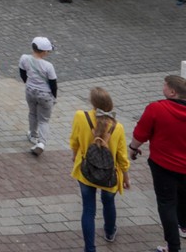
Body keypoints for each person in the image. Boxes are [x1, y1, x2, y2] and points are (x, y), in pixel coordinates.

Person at [129, 75, 186, 252]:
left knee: (167, 203)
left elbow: (141, 133)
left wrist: (133, 148)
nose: (163, 88)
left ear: (172, 92)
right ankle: (183, 227)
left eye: (165, 86)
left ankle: (173, 247)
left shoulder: (156, 109)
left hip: (163, 166)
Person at [69, 87, 130, 252]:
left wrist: (75, 154)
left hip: (86, 170)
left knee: (88, 209)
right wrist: (125, 176)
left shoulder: (81, 117)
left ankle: (90, 248)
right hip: (110, 174)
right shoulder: (118, 127)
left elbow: (74, 140)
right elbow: (121, 155)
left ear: (93, 103)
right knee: (109, 202)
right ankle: (110, 232)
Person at [20, 35, 59, 154]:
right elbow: (53, 84)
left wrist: (29, 83)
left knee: (32, 113)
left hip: (30, 91)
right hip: (45, 95)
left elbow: (22, 73)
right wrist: (54, 97)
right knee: (44, 120)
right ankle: (41, 143)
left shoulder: (24, 58)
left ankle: (33, 135)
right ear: (45, 52)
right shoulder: (48, 66)